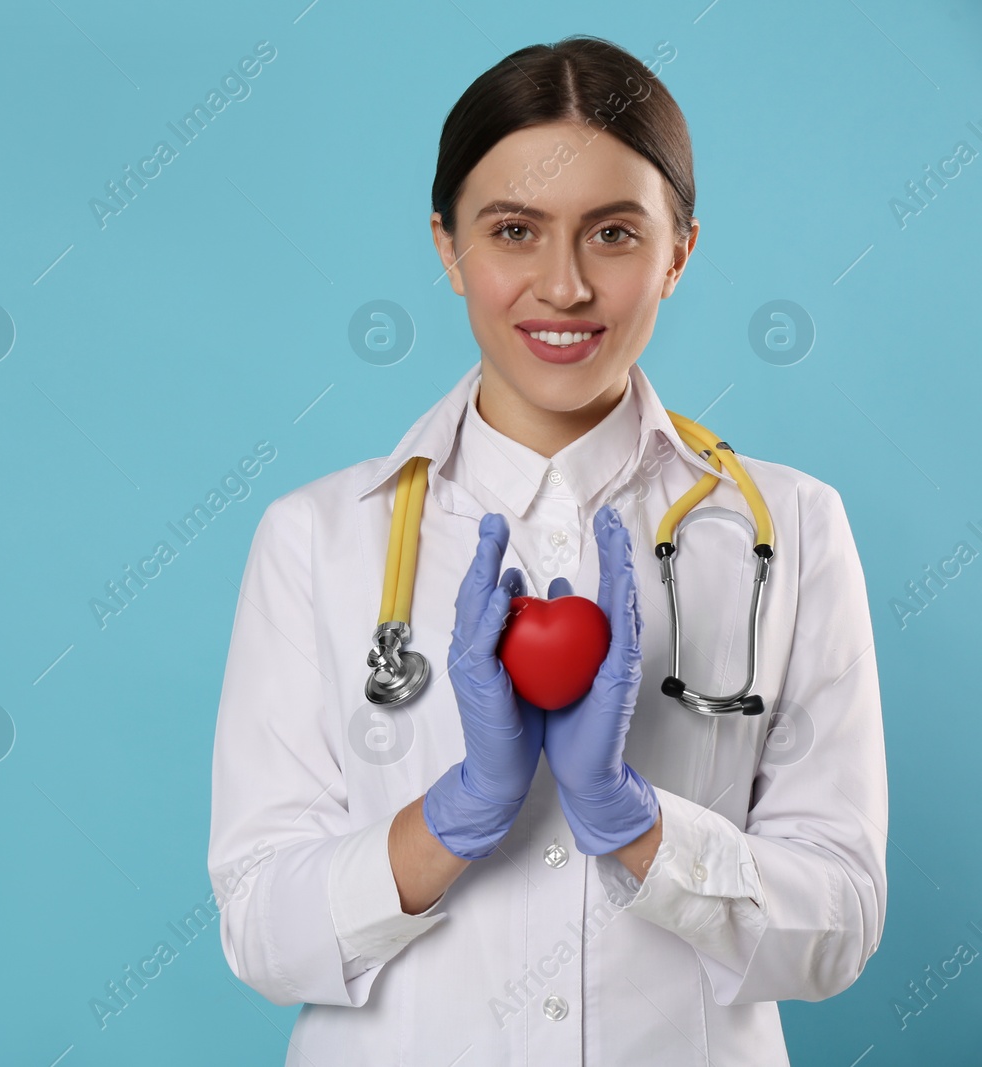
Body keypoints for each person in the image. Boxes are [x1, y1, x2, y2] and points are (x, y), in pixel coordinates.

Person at [207, 35, 886, 1066]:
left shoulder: (788, 528)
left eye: (613, 233)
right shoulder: (316, 537)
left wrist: (638, 824)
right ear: (446, 247)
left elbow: (838, 922)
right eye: (513, 230)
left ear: (678, 251)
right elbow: (259, 930)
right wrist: (455, 813)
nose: (562, 286)